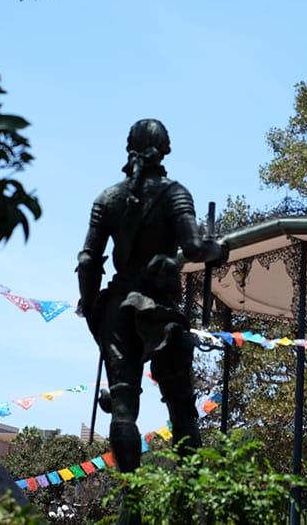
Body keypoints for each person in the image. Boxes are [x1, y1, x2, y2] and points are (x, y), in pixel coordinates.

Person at [76, 119, 226, 480]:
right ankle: (189, 498)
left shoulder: (107, 198)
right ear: (165, 150)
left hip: (117, 307)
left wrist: (91, 304)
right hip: (160, 310)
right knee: (181, 406)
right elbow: (193, 247)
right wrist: (218, 249)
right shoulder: (175, 194)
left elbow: (87, 261)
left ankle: (133, 503)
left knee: (123, 408)